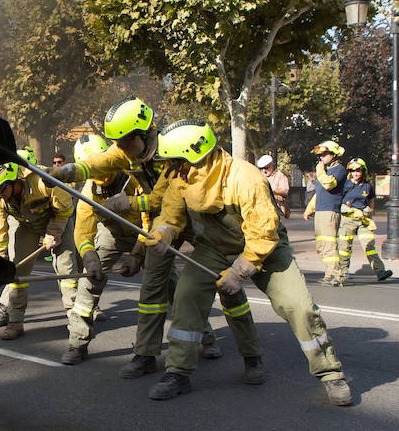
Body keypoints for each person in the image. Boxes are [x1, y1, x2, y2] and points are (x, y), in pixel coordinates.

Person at [47, 96, 263, 382]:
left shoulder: (173, 149)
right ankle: (146, 355)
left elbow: (160, 201)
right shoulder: (124, 154)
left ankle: (251, 357)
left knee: (226, 285)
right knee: (151, 292)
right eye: (117, 143)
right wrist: (66, 172)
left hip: (202, 222)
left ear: (144, 133)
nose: (120, 148)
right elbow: (96, 164)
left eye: (124, 141)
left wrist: (134, 241)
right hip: (166, 224)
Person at [143, 119, 350, 406]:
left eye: (176, 161)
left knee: (298, 306)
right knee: (186, 297)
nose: (170, 168)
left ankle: (330, 373)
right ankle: (177, 372)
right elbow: (171, 216)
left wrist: (240, 271)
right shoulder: (181, 179)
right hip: (213, 248)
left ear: (194, 155)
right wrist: (164, 232)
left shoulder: (245, 177)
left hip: (266, 249)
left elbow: (264, 232)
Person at [0, 161, 78, 341]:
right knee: (18, 272)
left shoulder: (43, 180)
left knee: (66, 270)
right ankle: (15, 322)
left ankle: (76, 321)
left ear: (14, 181)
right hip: (26, 225)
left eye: (1, 190)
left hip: (57, 220)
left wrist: (54, 232)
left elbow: (65, 208)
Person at [64, 134, 141, 364]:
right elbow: (83, 232)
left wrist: (137, 253)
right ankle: (77, 344)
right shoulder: (87, 193)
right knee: (87, 286)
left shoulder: (135, 178)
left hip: (145, 232)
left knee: (171, 286)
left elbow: (154, 219)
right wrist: (90, 258)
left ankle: (205, 337)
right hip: (112, 235)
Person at [338, 158, 393, 282]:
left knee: (369, 245)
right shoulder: (345, 184)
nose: (355, 173)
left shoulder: (367, 185)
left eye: (358, 170)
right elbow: (338, 201)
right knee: (345, 247)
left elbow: (371, 199)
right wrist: (347, 210)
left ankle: (380, 272)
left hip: (363, 220)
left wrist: (370, 213)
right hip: (348, 220)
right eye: (352, 171)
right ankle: (343, 272)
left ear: (363, 171)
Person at [303, 141, 348, 286]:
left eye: (324, 154)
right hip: (321, 211)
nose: (321, 158)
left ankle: (337, 276)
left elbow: (329, 185)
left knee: (329, 245)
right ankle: (329, 274)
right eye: (320, 155)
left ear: (334, 155)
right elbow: (319, 193)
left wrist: (319, 171)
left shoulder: (339, 170)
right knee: (321, 245)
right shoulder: (325, 171)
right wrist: (309, 209)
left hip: (330, 211)